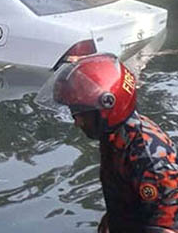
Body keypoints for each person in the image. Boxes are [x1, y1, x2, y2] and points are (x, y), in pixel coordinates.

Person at [40, 54, 178, 233]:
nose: (77, 122)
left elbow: (165, 227)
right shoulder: (114, 135)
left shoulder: (149, 160)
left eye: (82, 113)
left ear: (107, 108)